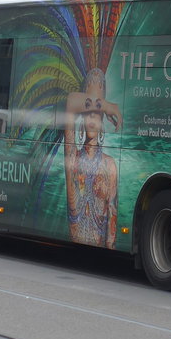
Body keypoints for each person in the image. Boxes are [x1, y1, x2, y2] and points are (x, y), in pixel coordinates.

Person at [63, 69, 120, 248]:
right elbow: (71, 102)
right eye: (89, 111)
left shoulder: (109, 165)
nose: (93, 117)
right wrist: (107, 105)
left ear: (103, 118)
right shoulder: (72, 159)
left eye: (98, 112)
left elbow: (112, 226)